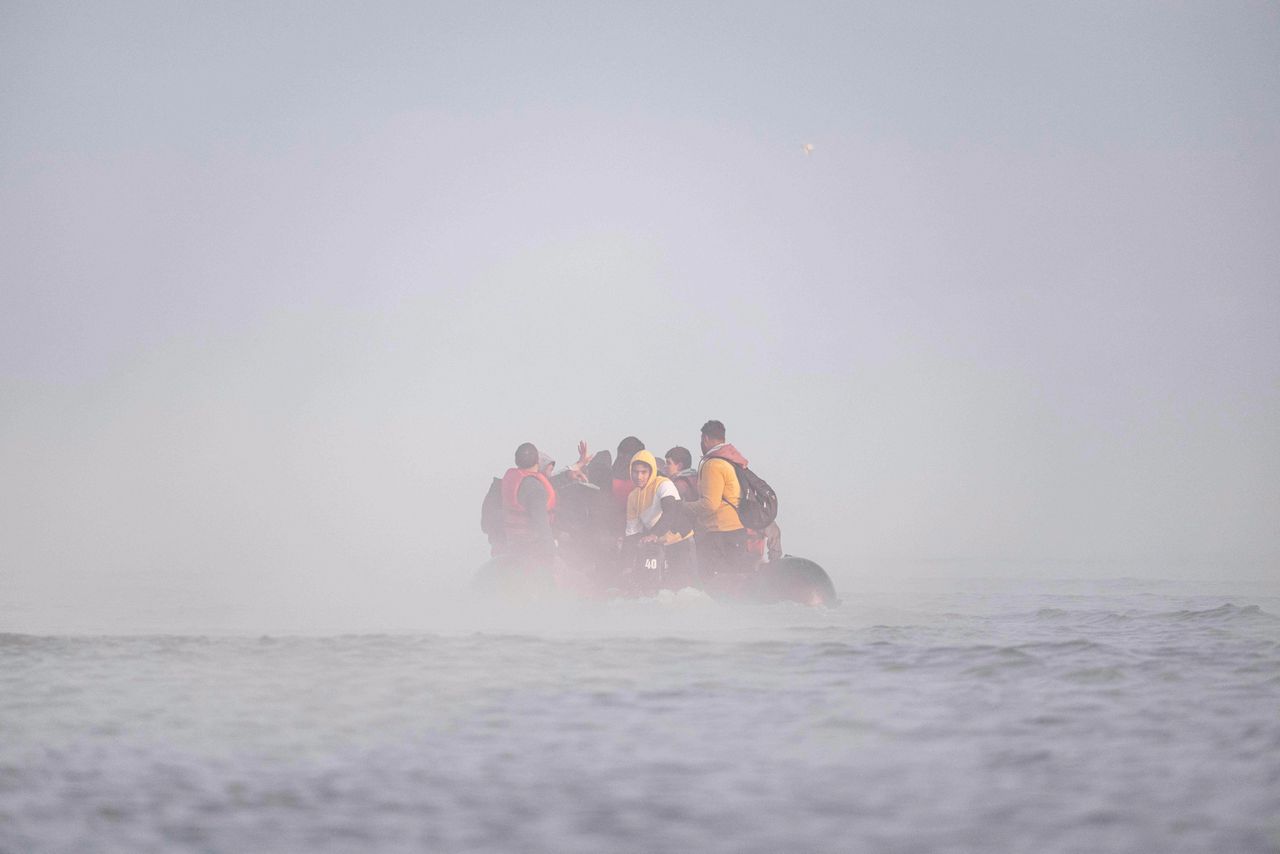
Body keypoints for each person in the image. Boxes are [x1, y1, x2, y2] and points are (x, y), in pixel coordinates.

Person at [684, 420, 751, 582]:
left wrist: (683, 507)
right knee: (735, 582)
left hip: (718, 534)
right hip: (737, 531)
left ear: (705, 439)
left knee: (713, 584)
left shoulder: (713, 465)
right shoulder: (731, 461)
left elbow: (710, 504)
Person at [621, 450, 697, 591]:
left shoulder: (664, 484)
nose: (639, 476)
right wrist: (626, 566)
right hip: (660, 546)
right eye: (635, 472)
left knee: (682, 588)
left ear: (651, 471)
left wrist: (654, 534)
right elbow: (632, 533)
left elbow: (671, 511)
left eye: (644, 472)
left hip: (681, 541)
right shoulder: (633, 496)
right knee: (657, 588)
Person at [499, 441, 557, 564]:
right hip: (533, 550)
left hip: (514, 545)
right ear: (537, 461)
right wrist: (551, 552)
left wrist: (569, 474)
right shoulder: (535, 489)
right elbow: (541, 524)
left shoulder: (512, 479)